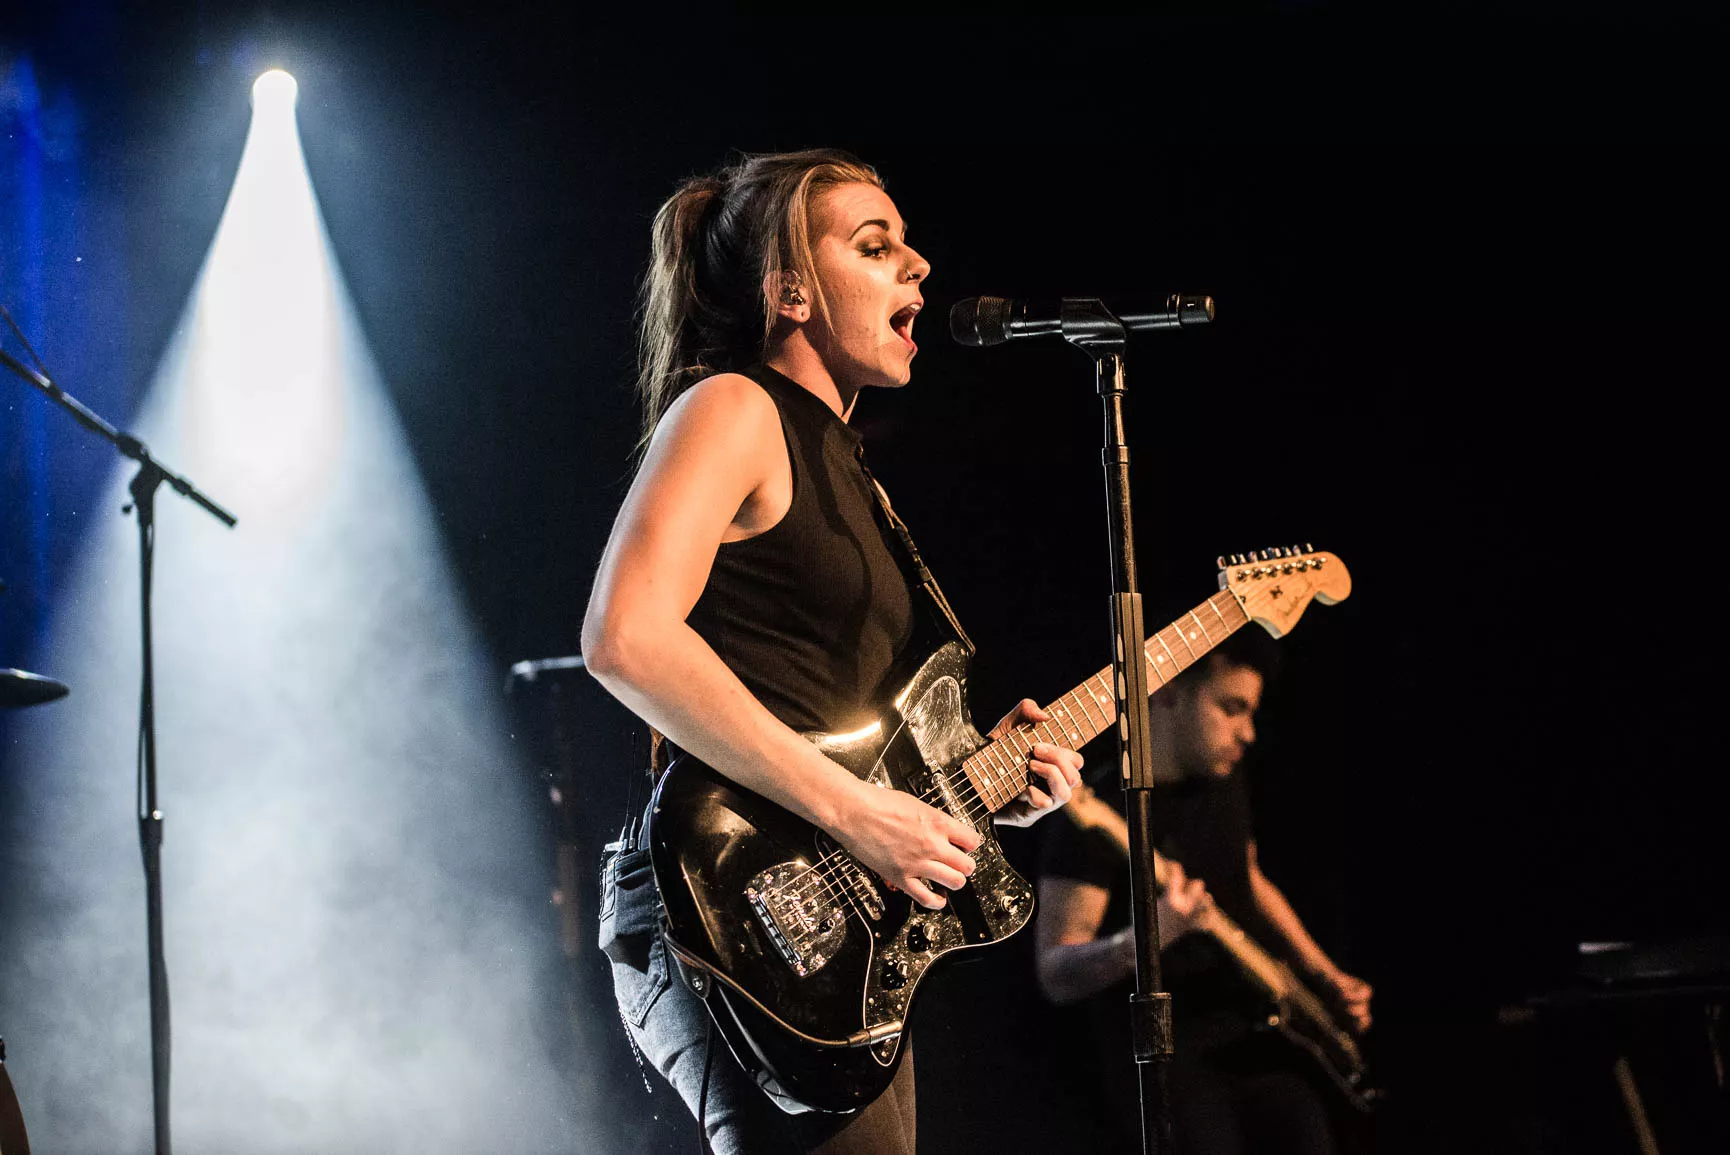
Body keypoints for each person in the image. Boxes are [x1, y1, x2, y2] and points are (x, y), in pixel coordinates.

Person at [581, 149, 1085, 1155]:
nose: (918, 266)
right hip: (729, 903)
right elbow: (623, 635)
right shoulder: (734, 407)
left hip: (823, 921)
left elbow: (832, 713)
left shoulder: (851, 470)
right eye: (873, 245)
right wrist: (858, 812)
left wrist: (986, 781)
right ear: (789, 290)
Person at [1034, 631, 1372, 1155]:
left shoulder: (1222, 784)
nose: (1249, 733)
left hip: (1252, 1039)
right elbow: (1055, 970)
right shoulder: (1092, 818)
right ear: (1167, 693)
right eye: (1231, 708)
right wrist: (1147, 938)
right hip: (1166, 1061)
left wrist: (1324, 974)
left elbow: (1251, 877)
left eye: (1251, 712)